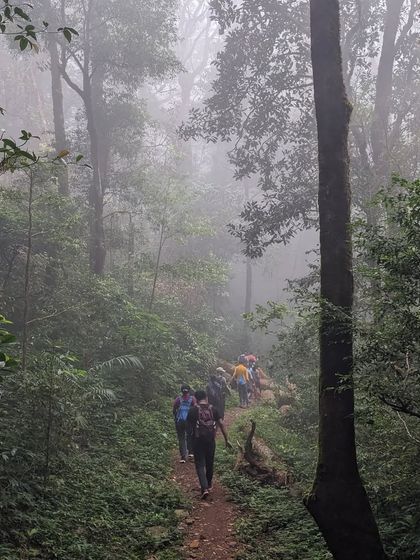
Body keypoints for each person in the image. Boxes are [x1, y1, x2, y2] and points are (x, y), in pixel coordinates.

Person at [187, 390, 231, 499]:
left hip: (197, 441)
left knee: (200, 464)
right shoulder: (213, 409)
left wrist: (190, 446)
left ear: (196, 399)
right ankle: (209, 484)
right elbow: (221, 424)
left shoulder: (192, 410)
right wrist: (227, 440)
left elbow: (188, 430)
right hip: (210, 440)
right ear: (206, 397)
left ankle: (204, 488)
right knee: (209, 463)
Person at [173, 384, 196, 463]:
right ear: (189, 390)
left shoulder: (178, 399)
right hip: (189, 421)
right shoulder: (192, 399)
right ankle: (190, 453)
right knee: (190, 436)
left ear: (181, 391)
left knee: (181, 438)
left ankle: (183, 457)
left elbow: (174, 410)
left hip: (180, 421)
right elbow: (196, 409)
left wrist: (176, 418)